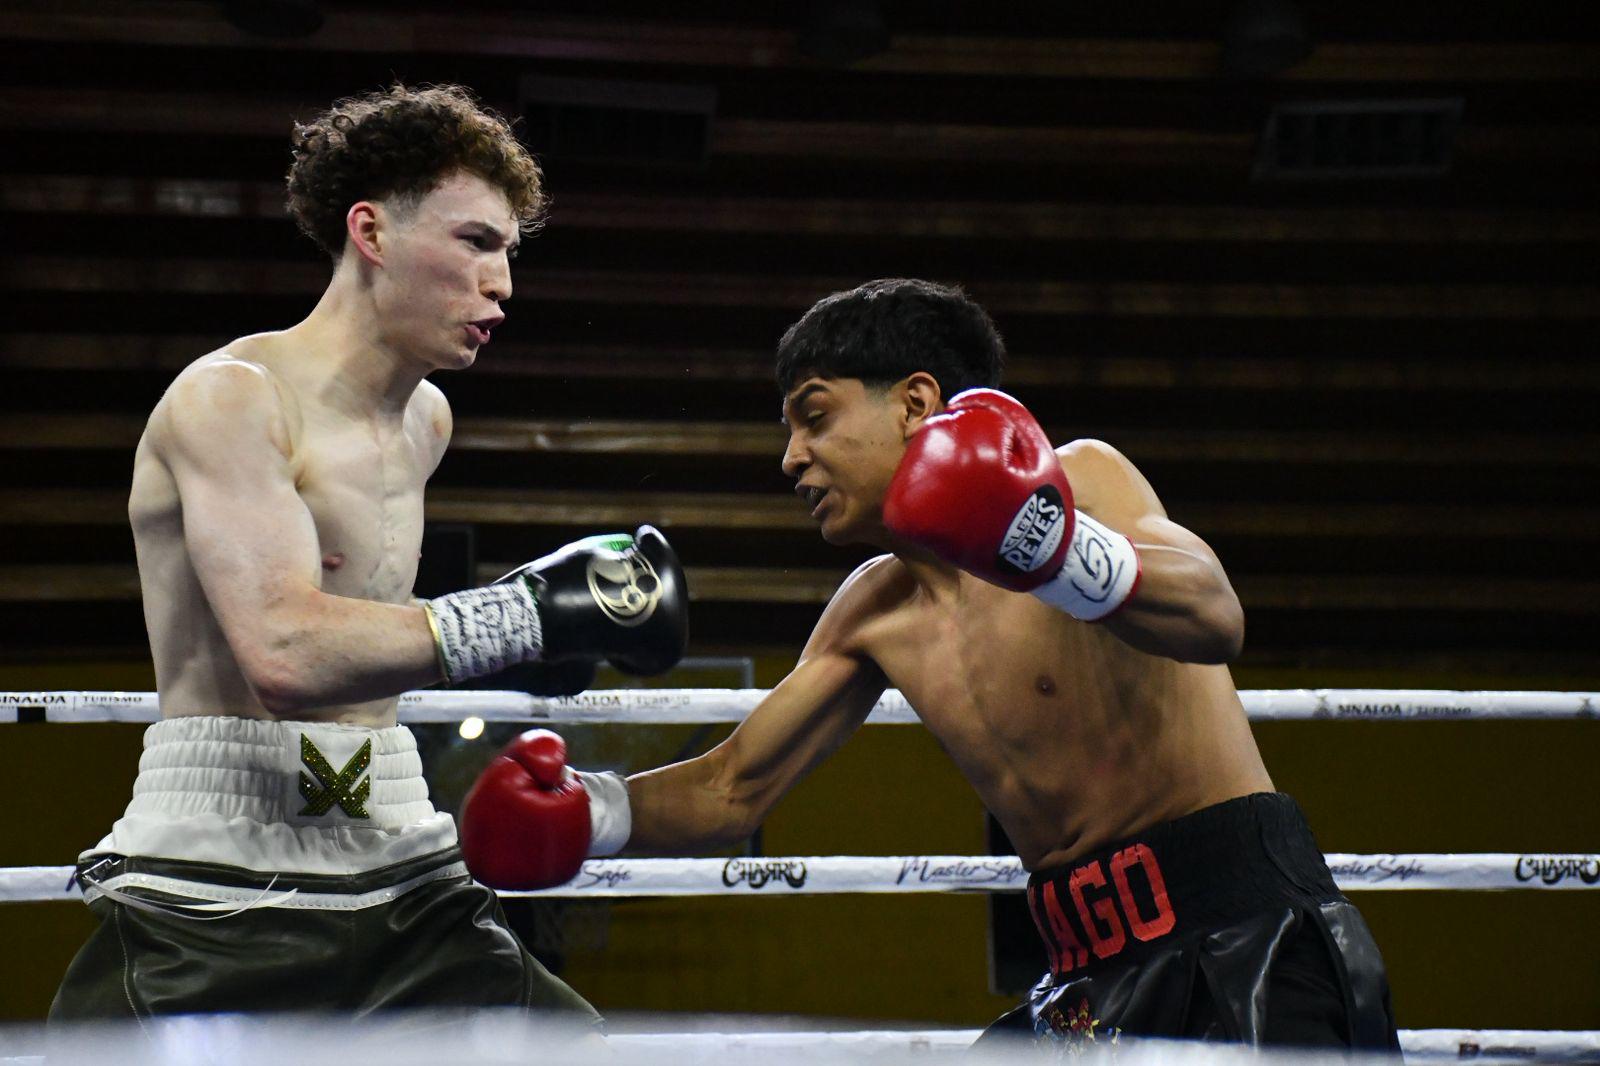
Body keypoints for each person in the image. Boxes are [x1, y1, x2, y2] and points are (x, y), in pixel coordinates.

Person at [458, 278, 1400, 1051]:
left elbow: (1214, 615)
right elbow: (731, 788)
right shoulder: (874, 609)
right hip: (1083, 974)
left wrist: (1054, 549)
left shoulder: (1078, 479)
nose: (791, 459)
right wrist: (590, 814)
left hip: (1243, 937)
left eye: (814, 417)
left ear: (915, 403)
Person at [49, 83, 687, 1022]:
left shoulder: (426, 419)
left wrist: (533, 637)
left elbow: (376, 636)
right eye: (476, 242)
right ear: (371, 232)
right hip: (220, 874)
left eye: (509, 252)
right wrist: (525, 616)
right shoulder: (233, 398)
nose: (503, 283)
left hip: (399, 860)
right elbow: (284, 652)